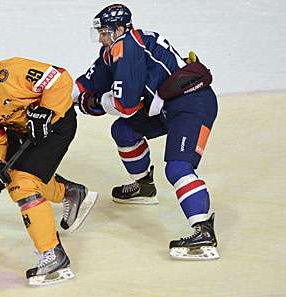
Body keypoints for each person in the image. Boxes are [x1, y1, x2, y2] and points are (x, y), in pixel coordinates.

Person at [74, 4, 220, 260]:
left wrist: (94, 103)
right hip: (167, 106)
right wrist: (55, 99)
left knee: (177, 168)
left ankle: (204, 231)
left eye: (104, 32)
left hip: (192, 105)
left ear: (119, 29)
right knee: (123, 130)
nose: (100, 37)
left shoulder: (128, 47)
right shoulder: (115, 48)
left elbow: (125, 104)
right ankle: (144, 187)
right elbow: (86, 83)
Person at [0, 40, 98, 285]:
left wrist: (46, 111)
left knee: (22, 185)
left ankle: (53, 256)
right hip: (21, 131)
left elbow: (60, 79)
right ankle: (69, 193)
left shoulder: (13, 72)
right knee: (13, 178)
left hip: (57, 125)